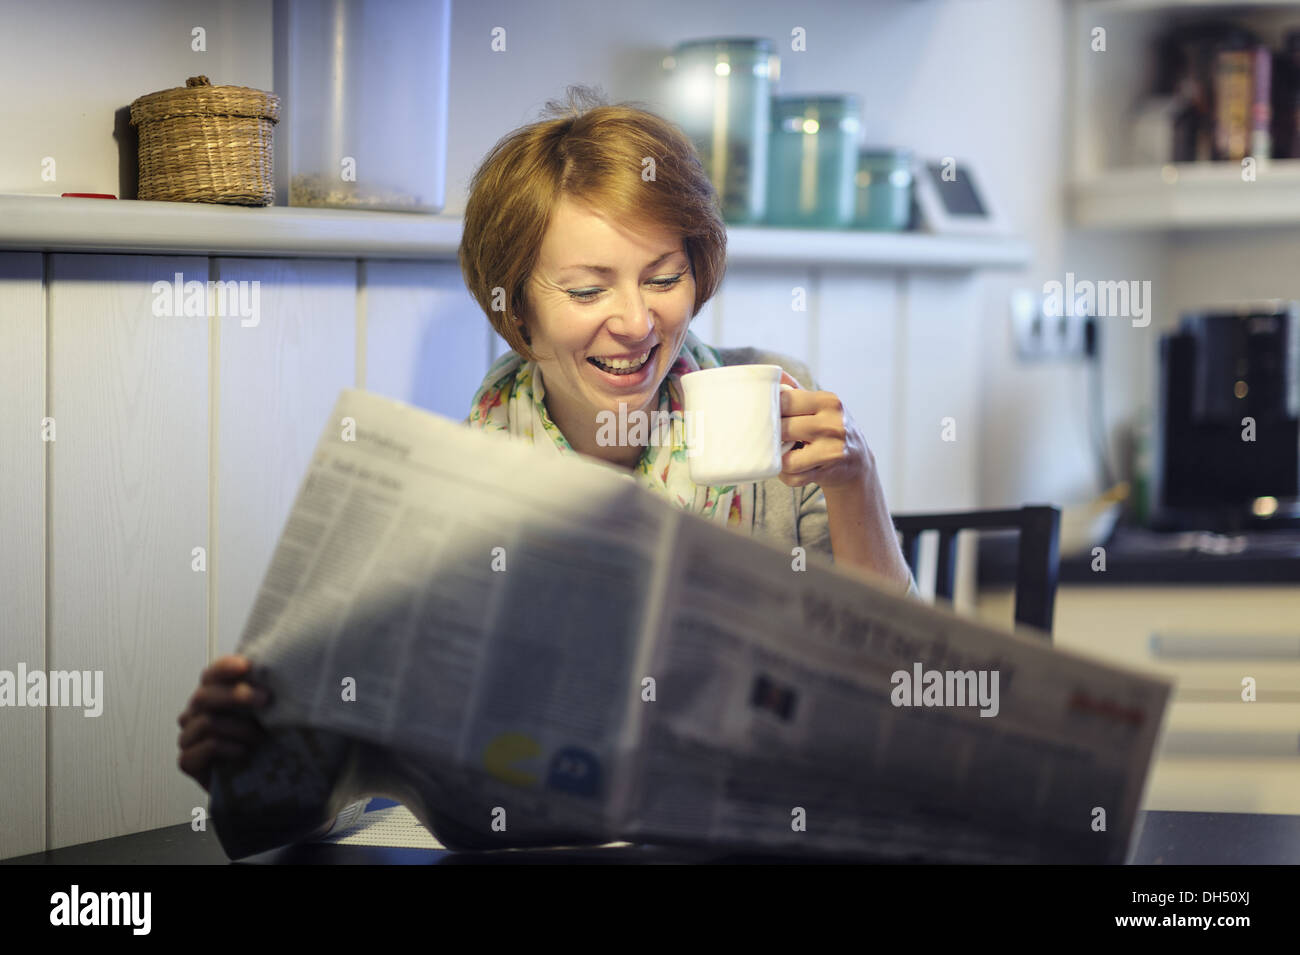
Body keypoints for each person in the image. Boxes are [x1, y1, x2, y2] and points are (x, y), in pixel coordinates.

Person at [177, 85, 917, 816]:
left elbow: (899, 682)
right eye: (588, 291)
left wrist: (857, 479)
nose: (635, 321)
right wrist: (251, 757)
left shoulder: (780, 405)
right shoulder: (455, 484)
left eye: (663, 278)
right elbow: (345, 775)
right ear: (518, 308)